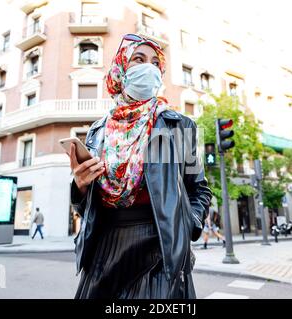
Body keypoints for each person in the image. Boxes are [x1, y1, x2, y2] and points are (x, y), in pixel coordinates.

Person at [68, 34, 212, 299]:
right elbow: (84, 206)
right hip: (104, 251)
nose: (149, 67)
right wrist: (79, 187)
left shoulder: (180, 126)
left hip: (160, 248)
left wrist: (186, 224)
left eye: (155, 62)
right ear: (121, 68)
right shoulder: (97, 131)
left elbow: (200, 190)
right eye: (139, 59)